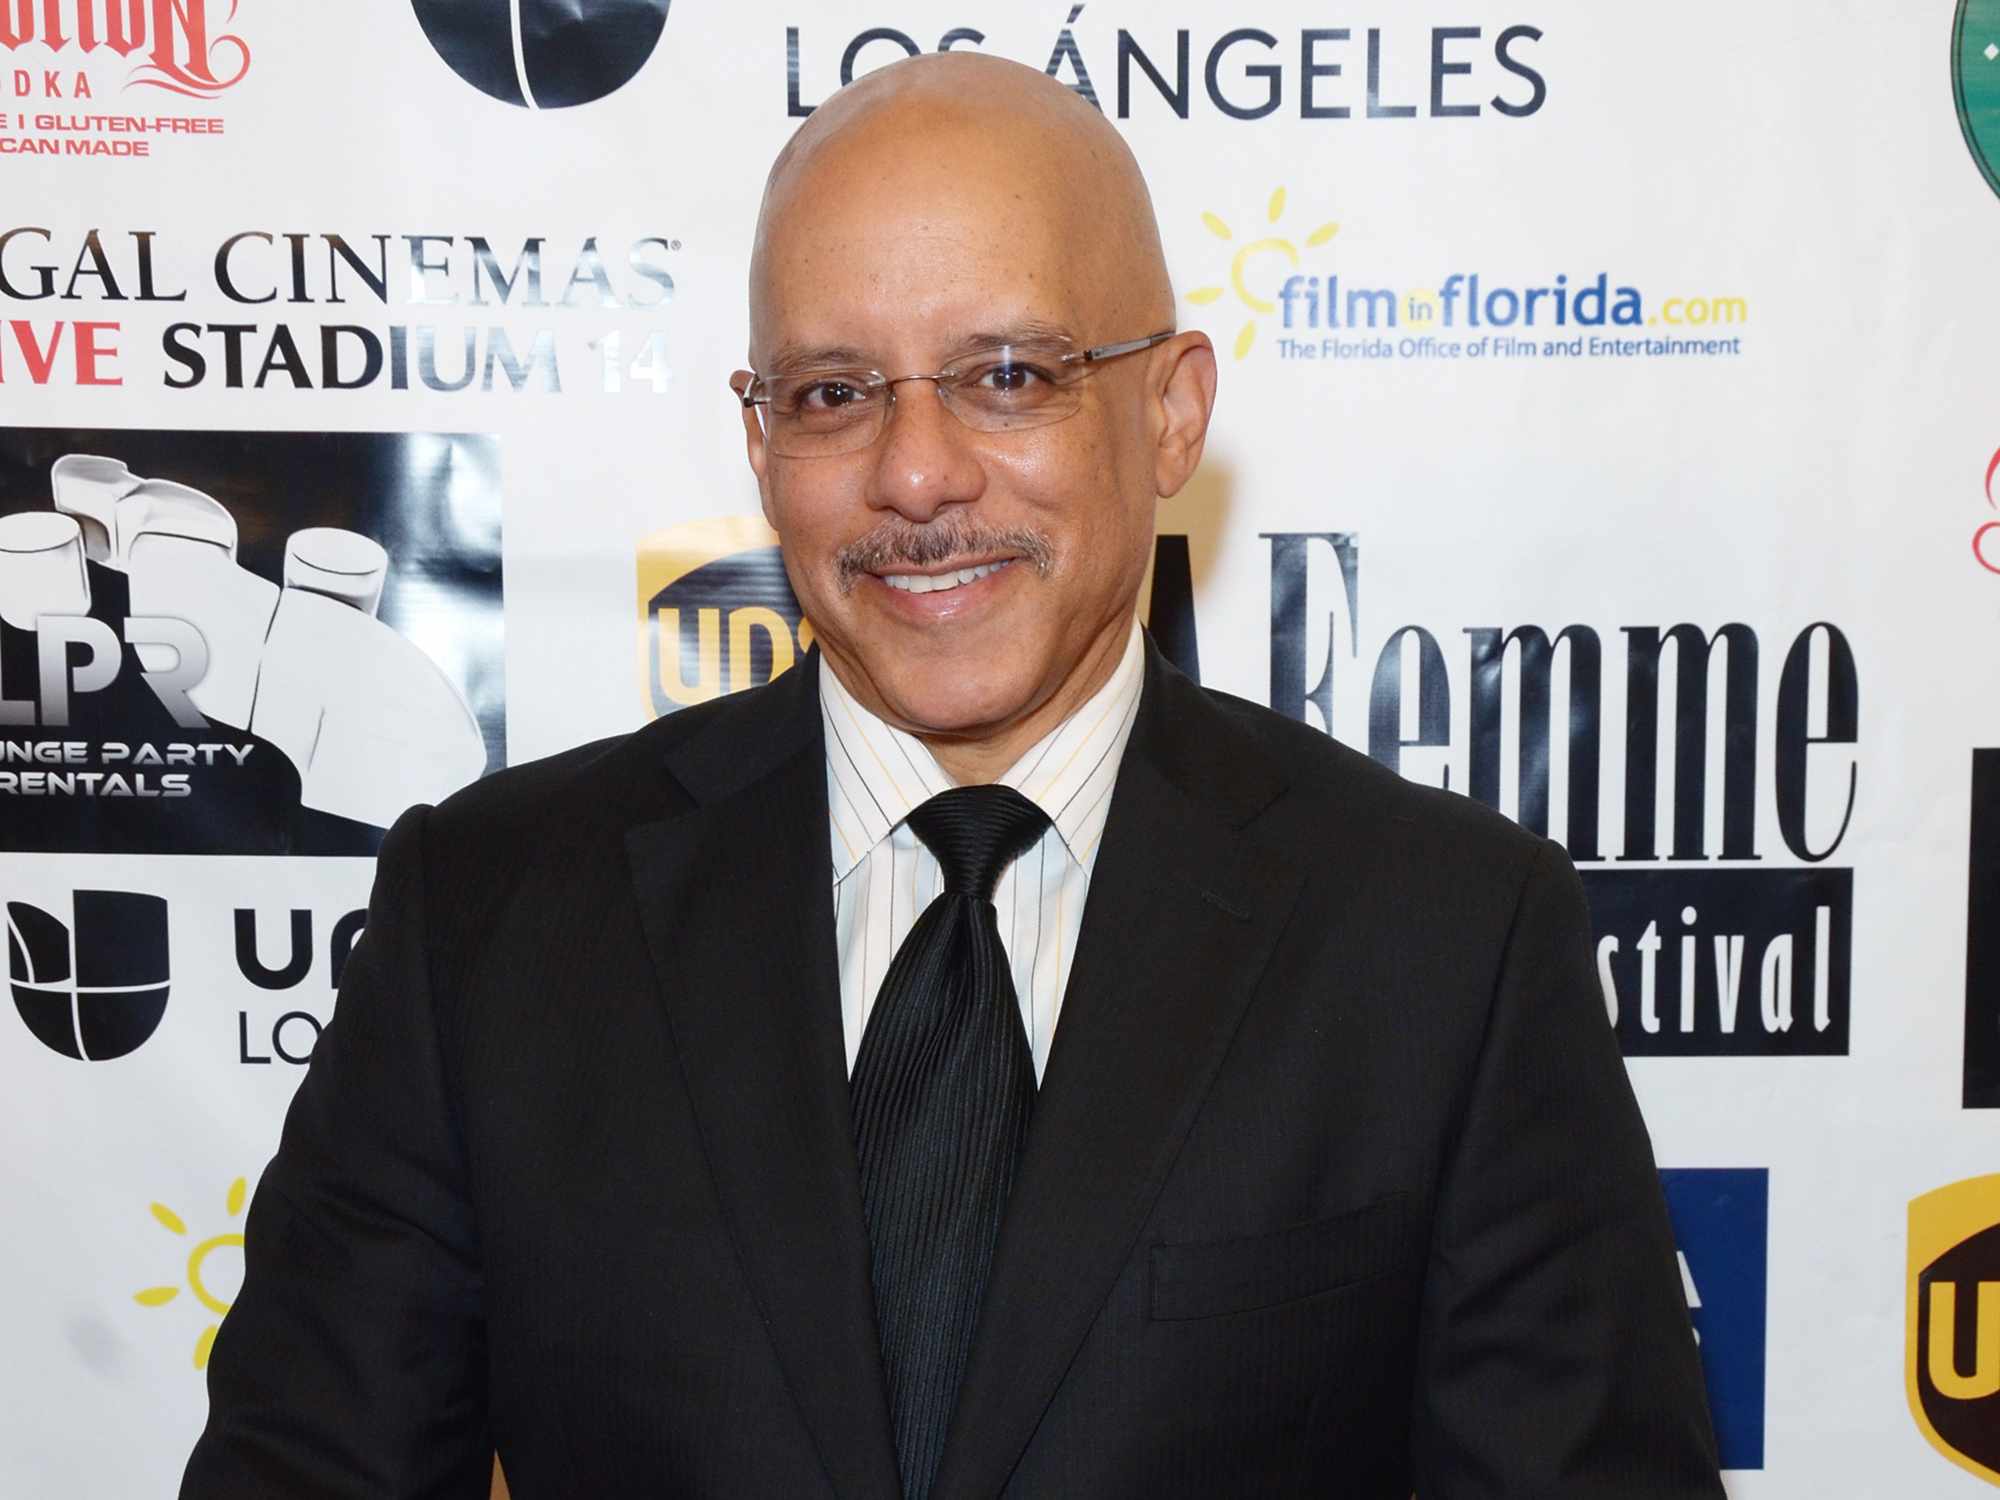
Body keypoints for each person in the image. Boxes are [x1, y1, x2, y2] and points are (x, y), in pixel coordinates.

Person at [182, 52, 1724, 1500]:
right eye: (835, 392)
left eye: (1007, 374)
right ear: (761, 435)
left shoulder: (1445, 939)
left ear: (1171, 409)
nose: (916, 474)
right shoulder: (492, 914)